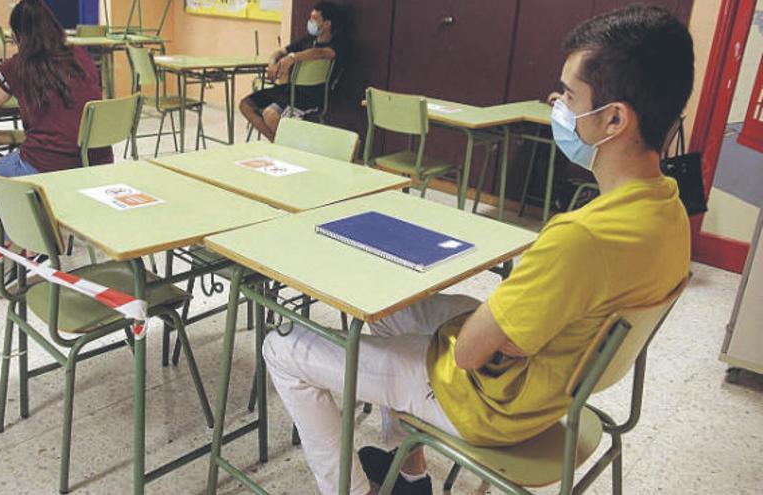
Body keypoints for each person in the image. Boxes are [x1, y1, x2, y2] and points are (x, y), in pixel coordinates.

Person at [262, 5, 694, 495]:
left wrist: (499, 324)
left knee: (281, 349)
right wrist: (509, 323)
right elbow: (524, 325)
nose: (557, 104)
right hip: (551, 388)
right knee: (389, 312)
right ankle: (410, 475)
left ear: (614, 118)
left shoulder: (580, 237)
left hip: (491, 403)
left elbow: (469, 353)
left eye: (570, 97)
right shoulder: (669, 212)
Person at [0, 0, 113, 227]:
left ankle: (23, 242)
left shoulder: (18, 65)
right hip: (96, 160)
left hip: (49, 161)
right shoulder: (80, 55)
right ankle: (41, 228)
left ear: (18, 35)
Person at [240, 1, 345, 142]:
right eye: (310, 18)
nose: (310, 22)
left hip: (310, 97)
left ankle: (285, 148)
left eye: (315, 19)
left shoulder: (336, 43)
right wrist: (272, 63)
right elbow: (280, 52)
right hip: (290, 90)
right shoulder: (307, 40)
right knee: (246, 105)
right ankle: (278, 144)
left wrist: (293, 57)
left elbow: (324, 53)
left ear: (327, 24)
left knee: (270, 114)